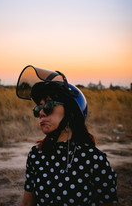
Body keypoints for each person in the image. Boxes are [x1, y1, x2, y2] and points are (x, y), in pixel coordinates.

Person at [16, 65, 118, 206]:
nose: (41, 112)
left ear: (70, 113)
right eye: (39, 107)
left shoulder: (94, 159)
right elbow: (27, 203)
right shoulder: (36, 155)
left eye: (48, 106)